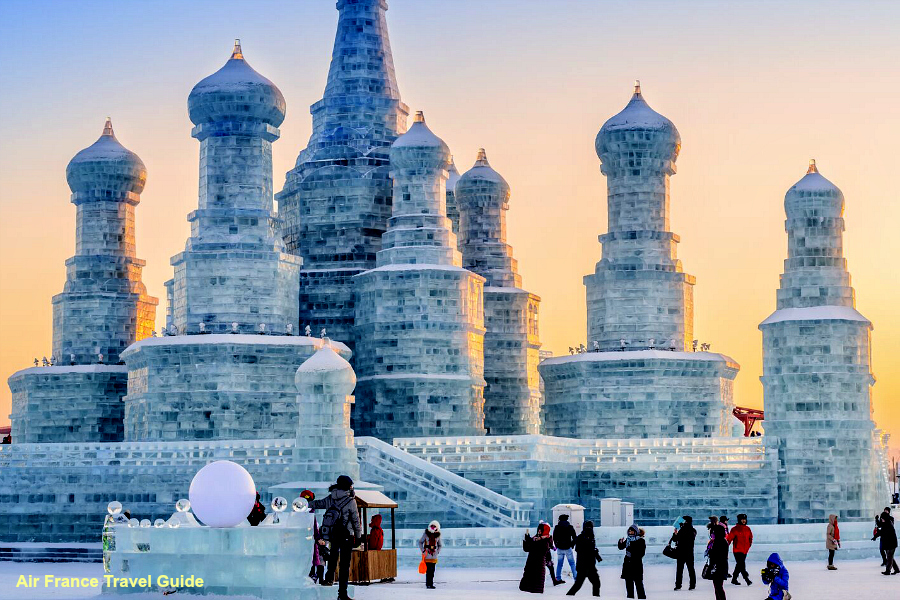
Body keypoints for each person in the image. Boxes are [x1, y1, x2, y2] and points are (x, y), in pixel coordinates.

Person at [308, 475, 362, 600]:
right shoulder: (350, 501)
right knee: (344, 565)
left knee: (333, 557)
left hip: (333, 535)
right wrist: (358, 537)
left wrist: (303, 503)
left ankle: (328, 579)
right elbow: (355, 520)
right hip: (346, 535)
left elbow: (318, 504)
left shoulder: (331, 497)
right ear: (348, 486)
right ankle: (342, 594)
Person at [566, 520, 602, 596]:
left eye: (590, 527)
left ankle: (596, 597)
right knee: (578, 585)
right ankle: (568, 597)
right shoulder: (580, 537)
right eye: (587, 527)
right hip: (583, 566)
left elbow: (592, 549)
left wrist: (596, 553)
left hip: (591, 566)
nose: (589, 529)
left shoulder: (591, 537)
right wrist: (591, 550)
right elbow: (578, 549)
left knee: (596, 583)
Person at [520, 523, 554, 593]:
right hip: (531, 564)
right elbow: (527, 548)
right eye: (538, 530)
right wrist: (527, 539)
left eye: (541, 530)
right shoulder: (536, 538)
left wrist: (530, 541)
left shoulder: (546, 541)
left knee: (536, 588)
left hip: (538, 566)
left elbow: (535, 548)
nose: (539, 531)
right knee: (526, 586)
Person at [301, 490, 326, 584]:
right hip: (309, 540)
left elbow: (314, 527)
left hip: (308, 540)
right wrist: (318, 538)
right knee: (313, 559)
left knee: (313, 559)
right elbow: (314, 528)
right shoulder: (310, 512)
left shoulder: (308, 512)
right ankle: (314, 577)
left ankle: (313, 577)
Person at [617, 524, 646, 599]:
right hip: (628, 565)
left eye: (632, 531)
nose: (630, 532)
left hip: (636, 565)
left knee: (639, 584)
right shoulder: (628, 540)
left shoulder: (641, 541)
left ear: (635, 531)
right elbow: (621, 547)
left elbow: (641, 553)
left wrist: (631, 551)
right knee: (629, 584)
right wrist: (620, 542)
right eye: (629, 531)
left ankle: (642, 598)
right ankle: (630, 598)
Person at [726, 513, 753, 585]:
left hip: (745, 550)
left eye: (745, 519)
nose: (744, 521)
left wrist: (748, 546)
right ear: (739, 520)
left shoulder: (748, 529)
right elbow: (729, 539)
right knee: (742, 565)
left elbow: (750, 538)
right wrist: (725, 547)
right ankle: (746, 579)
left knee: (739, 565)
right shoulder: (734, 529)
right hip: (737, 550)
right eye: (742, 519)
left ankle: (734, 579)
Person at [873, 508, 899, 575]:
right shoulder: (885, 524)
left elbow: (883, 532)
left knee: (889, 557)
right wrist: (875, 536)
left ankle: (888, 571)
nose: (881, 520)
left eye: (882, 518)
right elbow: (881, 530)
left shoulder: (888, 524)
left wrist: (877, 534)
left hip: (891, 544)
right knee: (890, 557)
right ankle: (896, 569)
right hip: (889, 543)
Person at [673, 515, 696, 591]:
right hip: (689, 552)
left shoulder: (683, 530)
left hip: (681, 552)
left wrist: (676, 533)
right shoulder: (693, 530)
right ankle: (692, 585)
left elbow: (675, 539)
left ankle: (678, 585)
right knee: (691, 569)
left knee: (679, 570)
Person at [418, 520, 442, 589]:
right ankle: (428, 584)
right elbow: (420, 542)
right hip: (427, 555)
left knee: (432, 571)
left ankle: (431, 583)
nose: (433, 527)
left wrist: (438, 551)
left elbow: (440, 545)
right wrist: (423, 551)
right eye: (432, 526)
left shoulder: (437, 535)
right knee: (428, 571)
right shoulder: (426, 534)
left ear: (437, 527)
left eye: (434, 526)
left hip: (434, 556)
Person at [554, 514, 578, 583]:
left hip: (560, 548)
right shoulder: (570, 527)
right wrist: (572, 545)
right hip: (568, 548)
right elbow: (574, 537)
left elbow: (554, 537)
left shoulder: (557, 527)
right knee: (572, 563)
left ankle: (558, 578)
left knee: (559, 564)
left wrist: (557, 545)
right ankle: (576, 578)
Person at [708, 523, 729, 600]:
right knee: (717, 587)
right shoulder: (720, 541)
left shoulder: (719, 542)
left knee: (718, 587)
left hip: (718, 567)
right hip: (720, 566)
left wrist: (711, 553)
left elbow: (717, 556)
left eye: (713, 532)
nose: (712, 534)